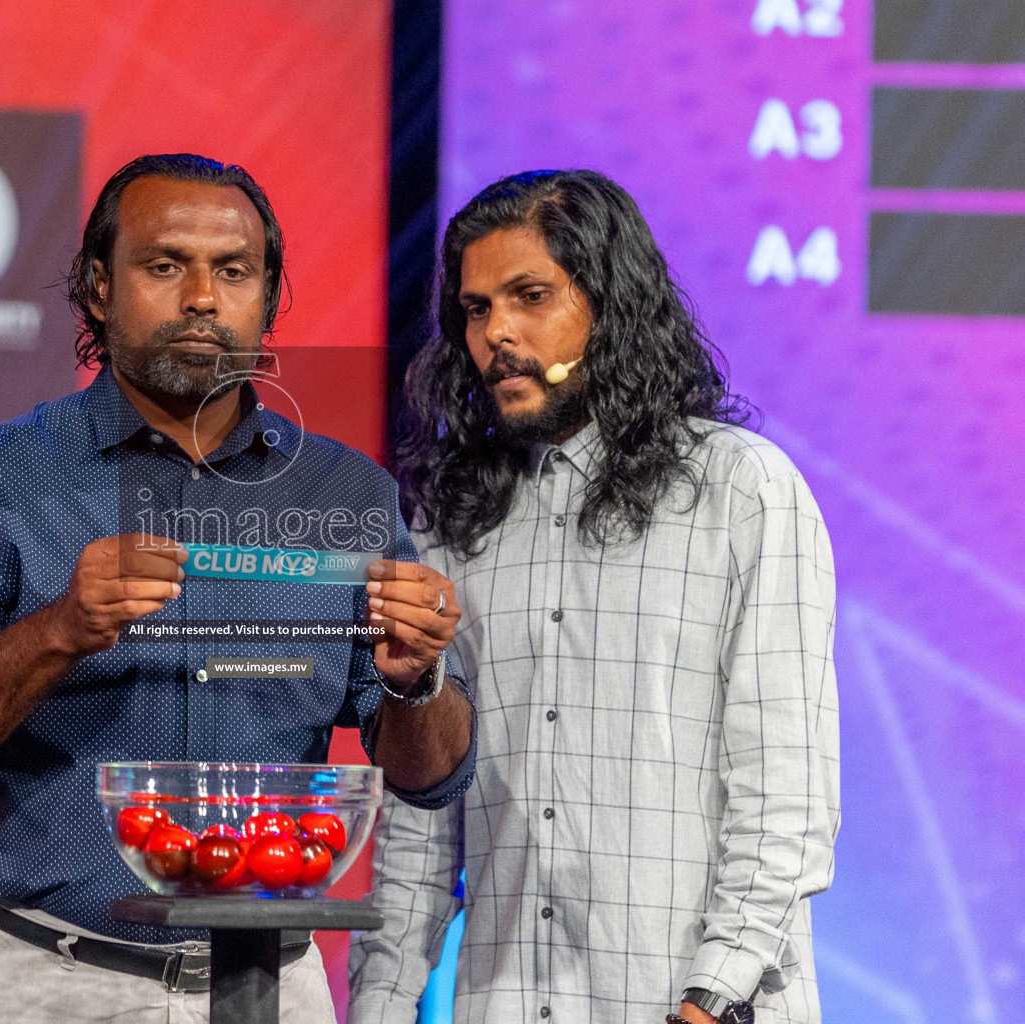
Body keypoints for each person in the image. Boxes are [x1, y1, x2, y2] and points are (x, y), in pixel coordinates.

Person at [0, 153, 476, 1024]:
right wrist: (60, 629)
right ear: (98, 289)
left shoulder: (348, 497)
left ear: (267, 298)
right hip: (45, 981)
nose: (201, 296)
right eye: (164, 265)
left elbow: (430, 778)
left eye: (233, 271)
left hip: (263, 988)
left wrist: (419, 679)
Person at [349, 170, 839, 1024]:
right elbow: (422, 826)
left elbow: (784, 801)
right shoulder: (449, 522)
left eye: (529, 296)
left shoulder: (739, 490)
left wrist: (707, 1002)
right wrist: (380, 1009)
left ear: (608, 304)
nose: (496, 331)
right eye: (474, 309)